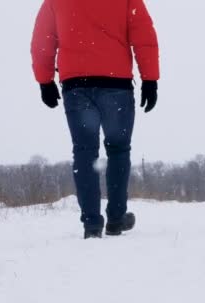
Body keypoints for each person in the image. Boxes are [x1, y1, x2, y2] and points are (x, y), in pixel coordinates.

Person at [31, 0, 160, 239]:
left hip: (77, 85)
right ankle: (116, 217)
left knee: (84, 151)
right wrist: (150, 79)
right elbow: (143, 35)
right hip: (116, 85)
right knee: (118, 149)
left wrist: (45, 80)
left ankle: (91, 223)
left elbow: (43, 38)